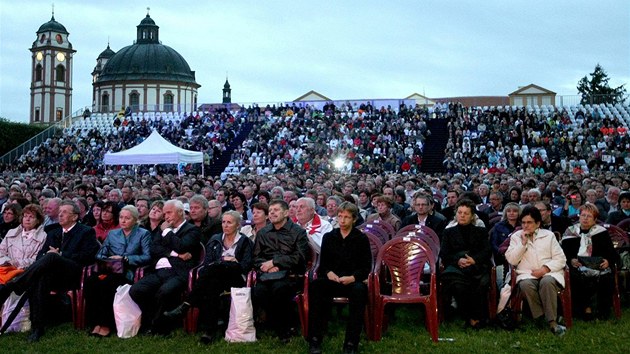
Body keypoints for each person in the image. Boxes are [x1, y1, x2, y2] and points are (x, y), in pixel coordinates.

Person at [0, 200, 99, 342]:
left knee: (52, 256)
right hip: (53, 275)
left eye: (64, 212)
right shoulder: (53, 232)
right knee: (40, 277)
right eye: (59, 212)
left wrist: (61, 255)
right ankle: (37, 328)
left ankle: (13, 286)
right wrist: (52, 256)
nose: (60, 215)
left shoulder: (86, 231)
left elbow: (87, 256)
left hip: (74, 273)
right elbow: (40, 255)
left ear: (75, 216)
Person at [163, 211, 254, 344]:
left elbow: (245, 265)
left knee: (215, 271)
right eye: (223, 222)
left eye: (230, 222)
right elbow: (207, 262)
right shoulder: (215, 238)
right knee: (212, 286)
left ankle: (186, 305)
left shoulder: (245, 242)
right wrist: (225, 261)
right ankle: (209, 332)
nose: (225, 225)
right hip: (215, 278)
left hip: (235, 277)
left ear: (238, 225)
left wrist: (228, 263)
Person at [307, 202, 371, 354]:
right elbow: (323, 264)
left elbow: (366, 266)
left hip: (352, 281)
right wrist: (329, 273)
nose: (342, 220)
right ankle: (315, 339)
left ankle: (351, 342)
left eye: (347, 217)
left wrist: (353, 277)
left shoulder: (361, 238)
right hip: (332, 279)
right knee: (316, 287)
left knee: (359, 292)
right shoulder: (329, 237)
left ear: (354, 219)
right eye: (340, 216)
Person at [129, 200, 201, 334]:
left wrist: (167, 231)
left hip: (179, 272)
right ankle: (154, 320)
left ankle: (156, 326)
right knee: (136, 290)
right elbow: (153, 248)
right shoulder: (162, 229)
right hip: (159, 271)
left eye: (169, 212)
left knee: (164, 291)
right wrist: (175, 254)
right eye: (165, 213)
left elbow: (182, 246)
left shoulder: (192, 230)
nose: (166, 216)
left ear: (180, 212)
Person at [83, 205, 152, 337]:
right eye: (121, 217)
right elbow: (100, 254)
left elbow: (147, 256)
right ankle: (95, 323)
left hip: (128, 272)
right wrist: (110, 259)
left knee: (107, 285)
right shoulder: (113, 233)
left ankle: (106, 324)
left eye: (127, 218)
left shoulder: (143, 234)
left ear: (135, 219)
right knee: (91, 282)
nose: (123, 221)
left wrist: (125, 259)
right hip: (110, 269)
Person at [505, 206, 567, 336]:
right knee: (526, 285)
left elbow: (561, 259)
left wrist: (544, 269)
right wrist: (522, 244)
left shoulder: (549, 236)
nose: (526, 226)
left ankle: (552, 322)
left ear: (538, 223)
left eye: (529, 222)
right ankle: (541, 317)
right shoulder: (516, 236)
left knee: (547, 282)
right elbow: (511, 260)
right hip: (526, 274)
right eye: (523, 222)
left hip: (549, 272)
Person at [253, 199, 309, 343]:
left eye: (276, 210)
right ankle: (279, 323)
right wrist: (266, 266)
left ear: (286, 213)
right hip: (266, 274)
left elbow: (300, 257)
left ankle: (282, 328)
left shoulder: (298, 232)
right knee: (259, 292)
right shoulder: (263, 232)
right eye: (270, 210)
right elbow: (256, 257)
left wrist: (276, 262)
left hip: (290, 274)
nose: (272, 213)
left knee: (279, 289)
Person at [561, 203, 619, 320]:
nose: (585, 219)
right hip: (577, 266)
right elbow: (563, 253)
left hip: (597, 265)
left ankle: (602, 311)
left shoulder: (601, 232)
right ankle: (583, 309)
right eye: (583, 215)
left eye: (589, 216)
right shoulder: (570, 232)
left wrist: (607, 261)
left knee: (606, 276)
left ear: (595, 219)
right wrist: (571, 260)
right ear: (579, 216)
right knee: (576, 276)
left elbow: (612, 253)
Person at [440, 199, 491, 328]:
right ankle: (469, 317)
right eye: (460, 212)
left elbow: (487, 251)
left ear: (472, 216)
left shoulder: (481, 231)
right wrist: (458, 260)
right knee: (458, 286)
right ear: (456, 214)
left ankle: (477, 316)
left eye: (466, 213)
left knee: (482, 283)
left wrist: (474, 260)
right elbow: (444, 254)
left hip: (477, 266)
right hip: (456, 268)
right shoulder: (448, 232)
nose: (462, 215)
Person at [0, 204, 47, 275]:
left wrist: (16, 263)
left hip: (27, 273)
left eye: (31, 217)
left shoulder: (43, 237)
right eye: (25, 216)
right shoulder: (11, 232)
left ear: (38, 220)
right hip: (6, 270)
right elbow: (1, 251)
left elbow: (36, 259)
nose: (27, 219)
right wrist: (7, 261)